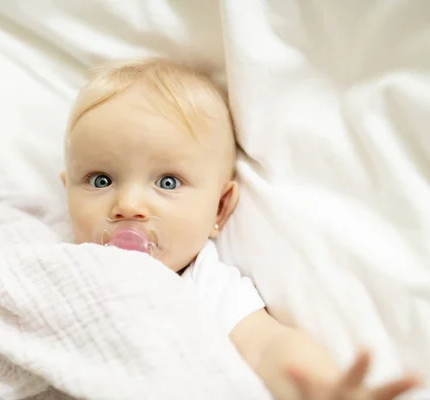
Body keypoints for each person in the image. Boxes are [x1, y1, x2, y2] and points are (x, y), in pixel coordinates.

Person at [59, 58, 420, 400]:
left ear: (220, 207)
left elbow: (267, 346)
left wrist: (318, 385)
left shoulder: (206, 284)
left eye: (168, 182)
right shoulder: (56, 259)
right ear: (67, 190)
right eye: (100, 179)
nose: (128, 206)